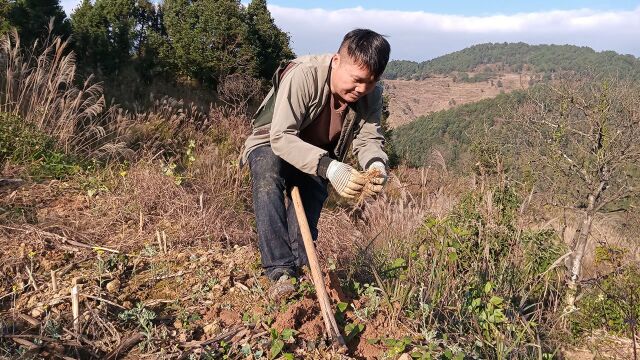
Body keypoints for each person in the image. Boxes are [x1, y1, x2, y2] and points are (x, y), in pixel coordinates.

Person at [242, 29, 391, 300]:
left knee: (308, 207)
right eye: (356, 80)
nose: (361, 90)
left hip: (319, 155)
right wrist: (331, 168)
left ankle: (298, 271)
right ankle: (279, 270)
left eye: (369, 82)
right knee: (267, 172)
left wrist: (376, 164)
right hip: (272, 142)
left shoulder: (372, 95)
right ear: (336, 61)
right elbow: (281, 137)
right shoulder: (303, 74)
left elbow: (369, 138)